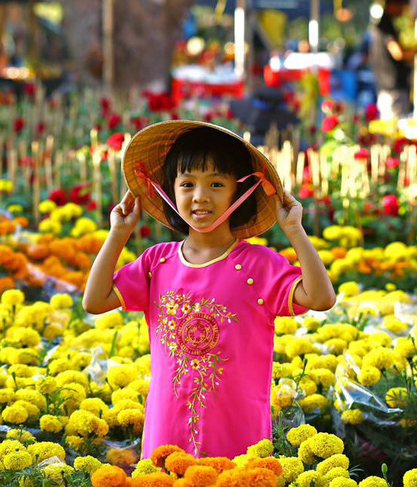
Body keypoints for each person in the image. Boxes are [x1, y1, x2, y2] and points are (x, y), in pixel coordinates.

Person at [82, 121, 336, 459]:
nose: (200, 196)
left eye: (216, 184)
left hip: (238, 435)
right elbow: (95, 300)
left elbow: (321, 298)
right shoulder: (157, 262)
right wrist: (118, 235)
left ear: (239, 191)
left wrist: (294, 230)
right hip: (165, 433)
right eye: (187, 184)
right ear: (170, 191)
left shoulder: (258, 266)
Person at [369, 0, 414, 119]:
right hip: (392, 88)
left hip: (387, 87)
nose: (403, 10)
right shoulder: (386, 26)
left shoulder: (381, 25)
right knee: (394, 126)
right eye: (402, 6)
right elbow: (398, 53)